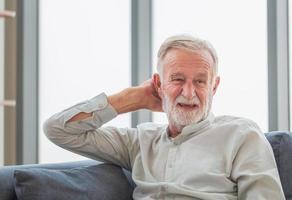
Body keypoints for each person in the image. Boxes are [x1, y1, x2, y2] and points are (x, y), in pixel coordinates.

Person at [44, 35, 285, 199]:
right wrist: (132, 98)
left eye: (200, 82)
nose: (189, 93)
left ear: (214, 86)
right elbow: (58, 130)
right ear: (159, 84)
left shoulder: (241, 135)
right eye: (178, 79)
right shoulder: (140, 141)